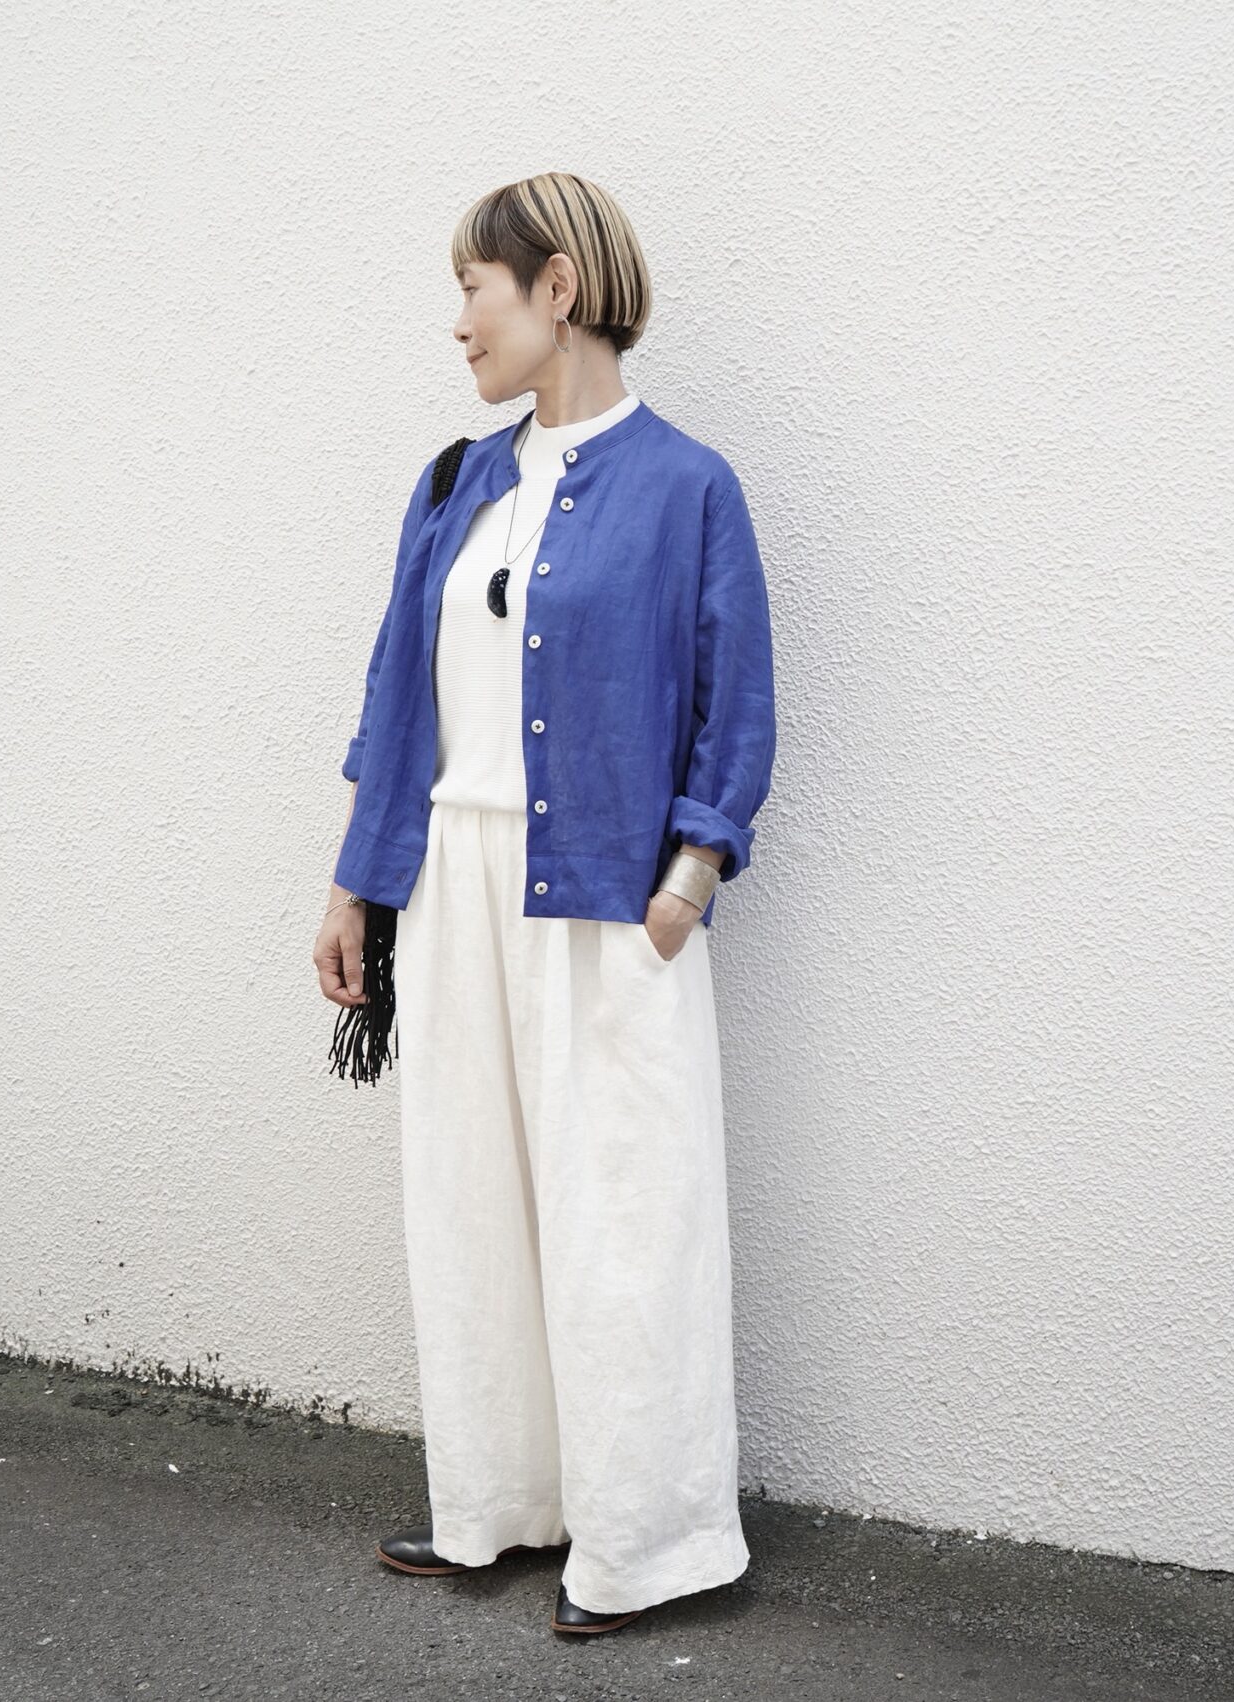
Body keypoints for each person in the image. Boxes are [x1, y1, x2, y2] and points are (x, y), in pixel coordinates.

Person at [312, 171, 778, 1637]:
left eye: (476, 289)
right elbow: (399, 697)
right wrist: (358, 885)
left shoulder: (689, 487)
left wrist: (686, 887)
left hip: (606, 900)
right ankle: (497, 1508)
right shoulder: (455, 482)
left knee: (624, 1218)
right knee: (471, 1204)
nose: (459, 323)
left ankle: (646, 1545)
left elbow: (736, 707)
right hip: (455, 889)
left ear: (558, 289)